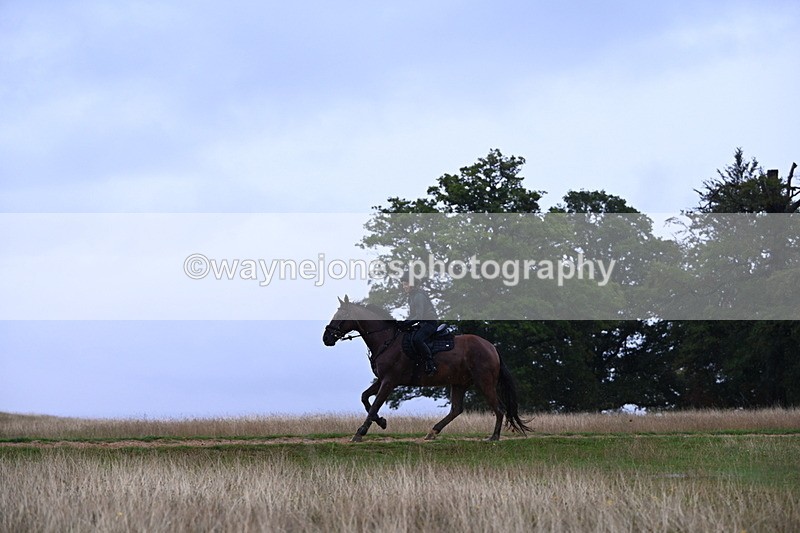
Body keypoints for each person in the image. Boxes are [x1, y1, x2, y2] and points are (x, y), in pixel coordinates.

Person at [398, 272, 438, 375]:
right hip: (422, 324)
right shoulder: (411, 297)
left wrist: (407, 324)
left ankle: (430, 363)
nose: (404, 287)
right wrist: (402, 323)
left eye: (405, 284)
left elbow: (419, 316)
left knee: (417, 339)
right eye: (403, 285)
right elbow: (412, 315)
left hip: (430, 323)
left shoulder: (419, 296)